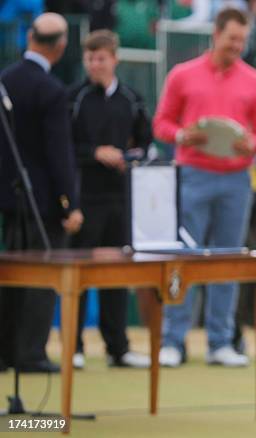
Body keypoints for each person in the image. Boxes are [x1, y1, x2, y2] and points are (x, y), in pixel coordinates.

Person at [153, 7, 256, 368]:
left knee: (228, 258)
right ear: (216, 34)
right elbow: (161, 123)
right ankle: (173, 341)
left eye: (243, 39)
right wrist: (181, 135)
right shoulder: (182, 75)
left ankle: (219, 343)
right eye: (232, 38)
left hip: (237, 180)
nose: (238, 45)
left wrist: (252, 144)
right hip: (192, 174)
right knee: (184, 258)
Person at [0, 13, 83, 373]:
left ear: (30, 38)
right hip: (42, 203)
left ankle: (4, 353)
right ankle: (30, 354)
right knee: (42, 278)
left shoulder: (5, 80)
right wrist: (70, 203)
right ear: (61, 47)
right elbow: (58, 154)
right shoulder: (51, 90)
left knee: (11, 275)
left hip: (8, 199)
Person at [68, 29, 153, 369]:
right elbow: (64, 148)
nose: (95, 64)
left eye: (101, 58)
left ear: (114, 59)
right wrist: (94, 153)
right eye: (90, 58)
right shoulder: (73, 98)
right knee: (79, 274)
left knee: (117, 274)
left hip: (121, 200)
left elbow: (147, 146)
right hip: (84, 200)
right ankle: (73, 347)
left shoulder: (132, 99)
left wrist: (127, 157)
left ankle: (117, 348)